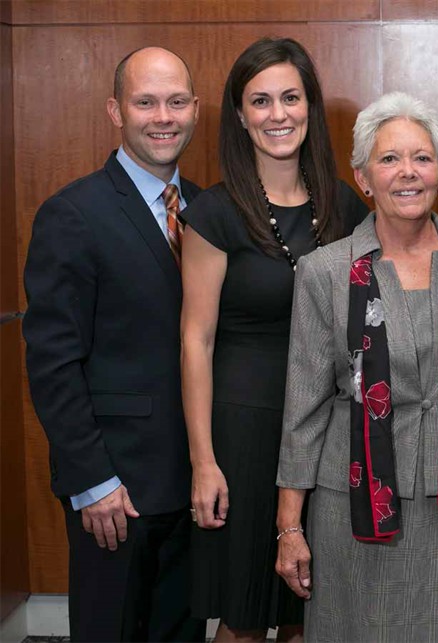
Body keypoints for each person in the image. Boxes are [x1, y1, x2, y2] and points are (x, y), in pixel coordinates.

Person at [274, 91, 438, 641]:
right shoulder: (325, 271)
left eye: (421, 158)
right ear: (363, 177)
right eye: (389, 159)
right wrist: (288, 528)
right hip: (352, 502)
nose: (408, 173)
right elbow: (304, 406)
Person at [179, 37, 368, 641]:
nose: (277, 113)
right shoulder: (213, 213)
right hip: (244, 433)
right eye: (260, 101)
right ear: (240, 115)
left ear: (310, 105)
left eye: (290, 97)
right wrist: (203, 462)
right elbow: (195, 340)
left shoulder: (345, 207)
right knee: (246, 616)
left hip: (326, 432)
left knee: (309, 612)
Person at [22, 46, 205, 641]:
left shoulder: (207, 210)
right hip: (115, 491)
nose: (163, 116)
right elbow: (53, 363)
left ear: (195, 109)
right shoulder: (72, 214)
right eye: (145, 102)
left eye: (176, 102)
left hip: (195, 482)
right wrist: (92, 480)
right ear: (114, 110)